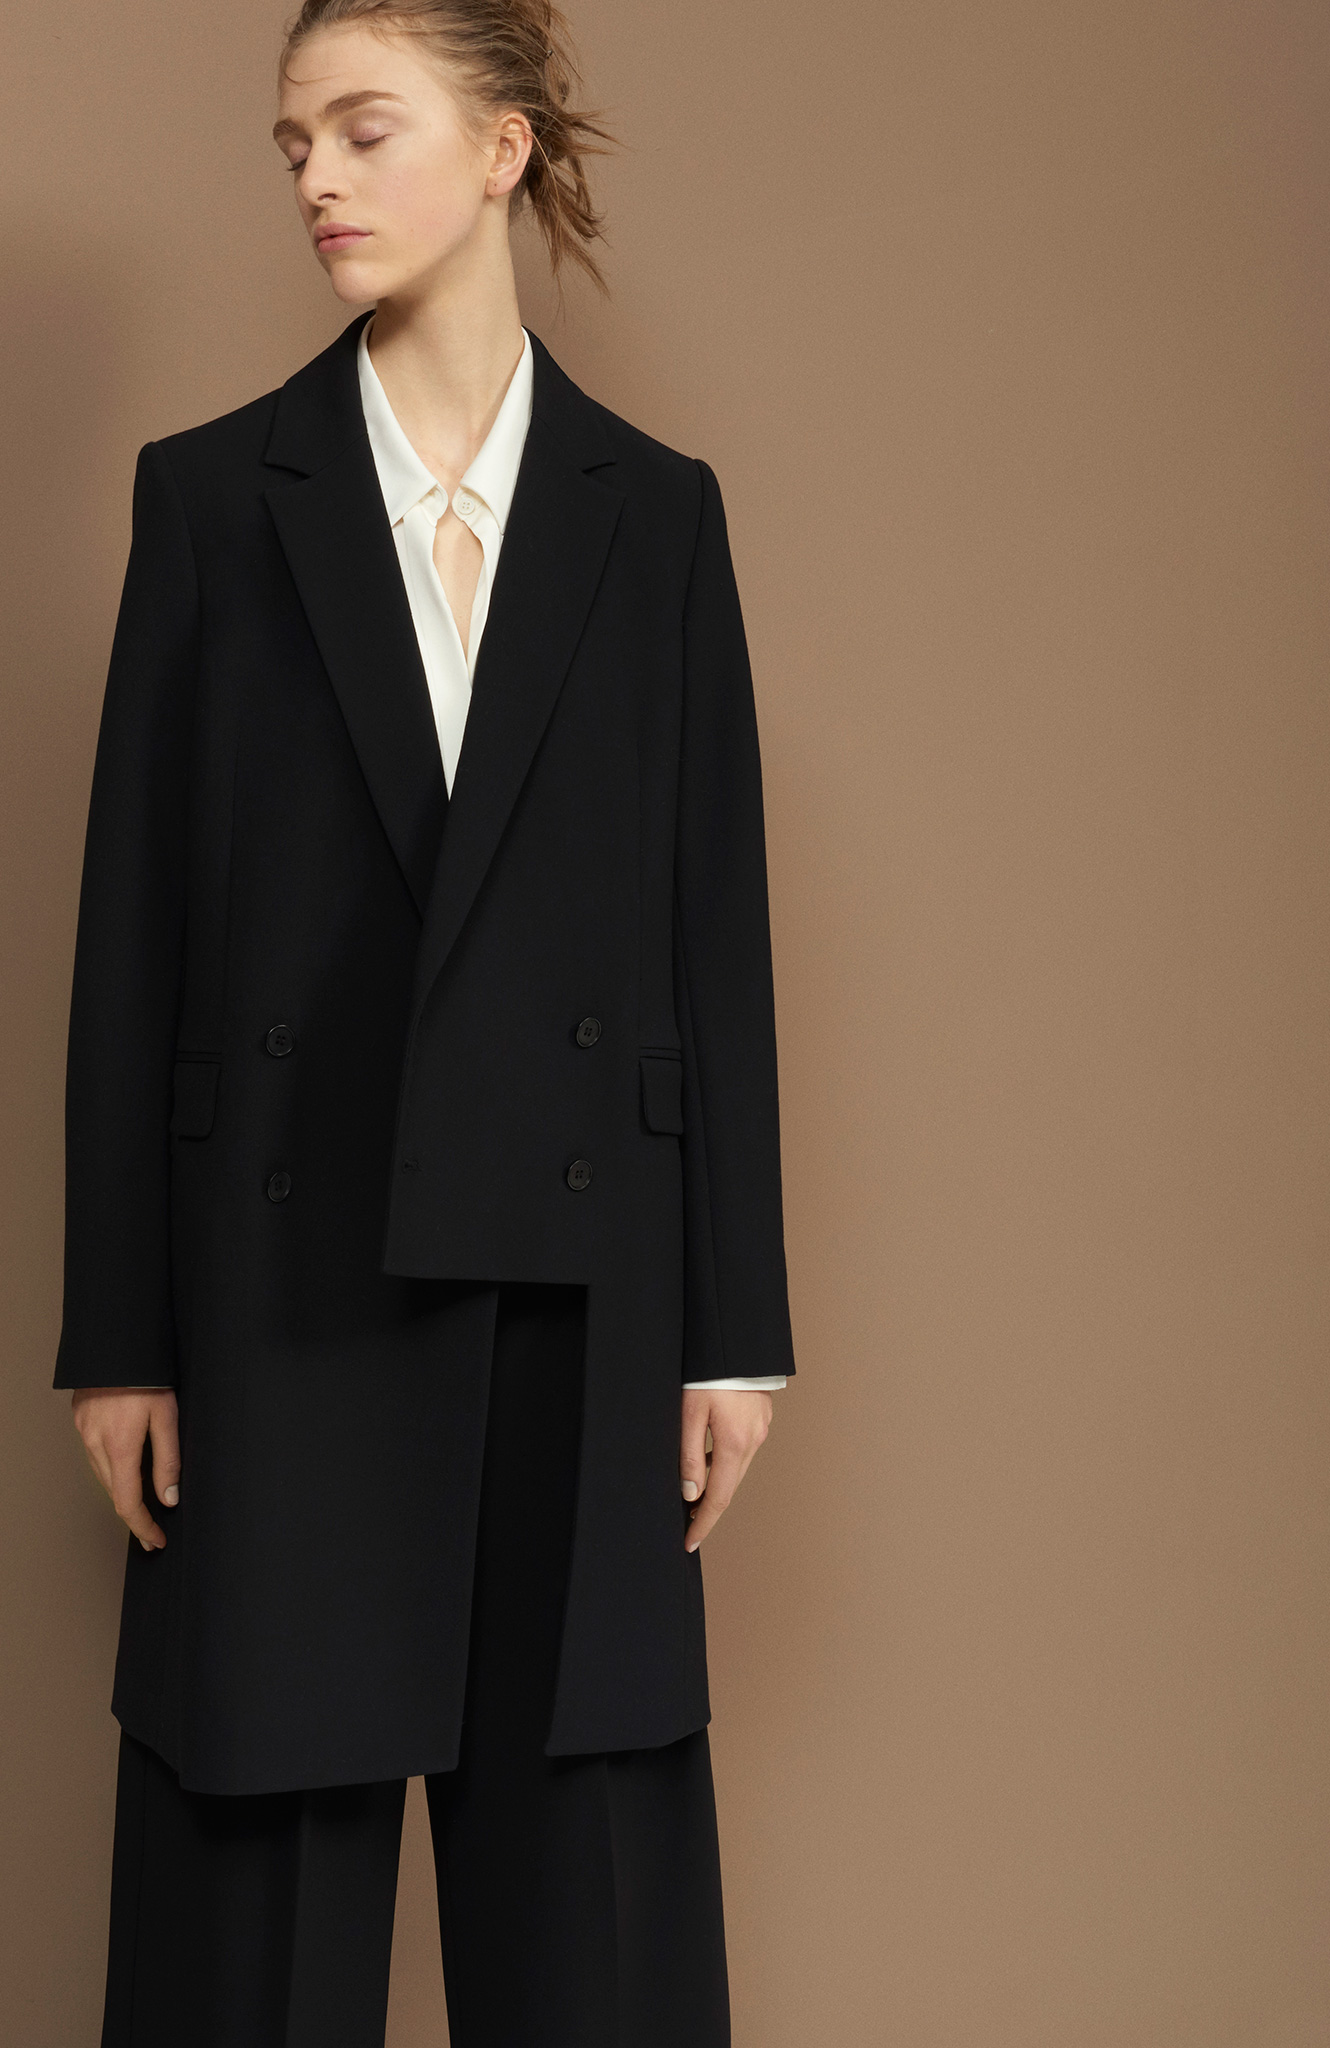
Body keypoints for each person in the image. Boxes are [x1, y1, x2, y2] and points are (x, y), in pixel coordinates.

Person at [56, 2, 794, 2040]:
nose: (313, 177)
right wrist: (119, 1331)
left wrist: (733, 1326)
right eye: (291, 142)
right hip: (282, 1277)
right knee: (251, 1926)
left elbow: (706, 931)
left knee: (590, 1918)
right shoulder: (215, 500)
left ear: (501, 148)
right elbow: (132, 941)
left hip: (588, 1280)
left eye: (361, 131)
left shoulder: (655, 515)